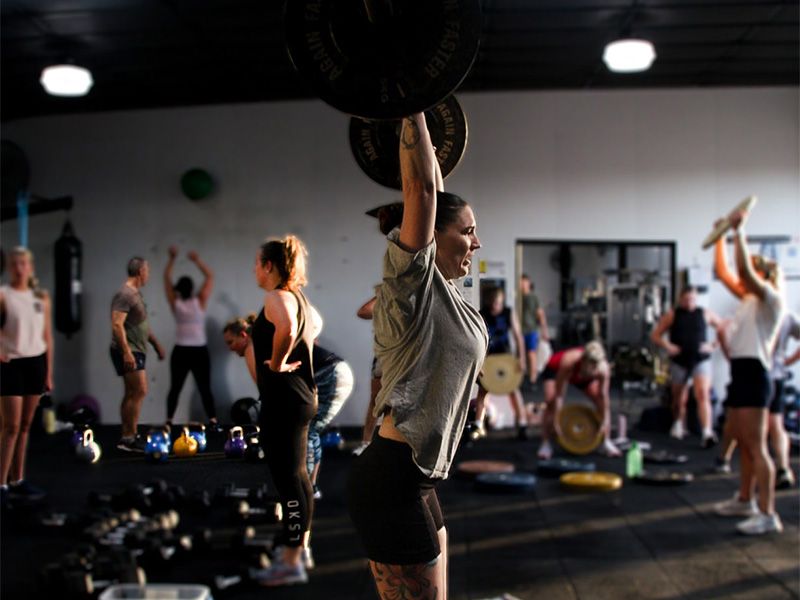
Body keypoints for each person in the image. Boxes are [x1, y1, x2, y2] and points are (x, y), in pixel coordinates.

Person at [346, 112, 487, 599]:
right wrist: (413, 102)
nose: (476, 241)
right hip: (392, 482)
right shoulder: (414, 284)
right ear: (434, 236)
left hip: (420, 482)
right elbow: (424, 192)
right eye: (467, 231)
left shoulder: (448, 295)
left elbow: (436, 190)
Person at [249, 235, 323, 585]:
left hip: (285, 399)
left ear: (269, 266)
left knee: (288, 478)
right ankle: (300, 548)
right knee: (299, 475)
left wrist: (277, 363)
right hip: (301, 396)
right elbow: (313, 326)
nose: (254, 269)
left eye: (256, 263)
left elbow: (288, 328)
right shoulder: (299, 298)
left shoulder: (277, 296)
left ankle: (291, 561)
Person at [223, 316, 354, 500]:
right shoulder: (262, 343)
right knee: (310, 430)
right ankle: (310, 489)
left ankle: (304, 492)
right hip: (335, 371)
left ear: (244, 335)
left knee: (306, 430)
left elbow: (266, 390)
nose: (230, 347)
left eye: (231, 342)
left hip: (329, 374)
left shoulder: (252, 347)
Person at [712, 208, 786, 535]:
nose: (743, 279)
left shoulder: (771, 299)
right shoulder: (746, 300)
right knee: (743, 441)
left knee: (757, 447)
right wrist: (720, 237)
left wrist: (739, 232)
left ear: (762, 275)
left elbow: (741, 268)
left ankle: (769, 514)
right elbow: (725, 270)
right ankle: (745, 500)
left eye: (751, 274)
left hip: (756, 374)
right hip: (741, 372)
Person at [714, 311, 799, 489]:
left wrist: (731, 355)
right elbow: (722, 330)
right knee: (773, 425)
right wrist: (787, 361)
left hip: (754, 376)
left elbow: (722, 330)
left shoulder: (751, 314)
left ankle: (724, 460)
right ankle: (782, 467)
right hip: (772, 375)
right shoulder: (785, 315)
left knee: (742, 427)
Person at [352, 203, 405, 457]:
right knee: (377, 400)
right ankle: (366, 443)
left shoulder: (405, 251)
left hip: (403, 351)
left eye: (383, 217)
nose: (379, 222)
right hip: (385, 352)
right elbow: (363, 311)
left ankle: (397, 448)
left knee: (402, 403)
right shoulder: (391, 273)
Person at [0, 247, 52, 502]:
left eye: (23, 263)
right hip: (11, 366)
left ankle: (17, 479)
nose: (19, 268)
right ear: (10, 268)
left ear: (30, 267)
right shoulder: (3, 295)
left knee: (25, 426)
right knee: (10, 427)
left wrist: (48, 374)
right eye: (14, 264)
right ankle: (1, 484)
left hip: (36, 364)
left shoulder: (41, 297)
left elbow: (47, 338)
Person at [650, 285, 726, 447]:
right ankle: (678, 423)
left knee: (703, 394)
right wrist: (668, 346)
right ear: (680, 299)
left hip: (700, 359)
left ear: (696, 298)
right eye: (686, 299)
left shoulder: (704, 313)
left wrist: (713, 345)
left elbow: (724, 328)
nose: (689, 302)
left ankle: (707, 431)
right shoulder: (672, 315)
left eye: (692, 299)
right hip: (680, 360)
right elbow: (655, 335)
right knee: (679, 397)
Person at [110, 257, 165, 452]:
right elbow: (117, 324)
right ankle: (129, 438)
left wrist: (156, 345)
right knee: (140, 390)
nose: (148, 274)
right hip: (129, 350)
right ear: (141, 271)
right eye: (147, 270)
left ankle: (127, 436)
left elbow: (141, 325)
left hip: (136, 349)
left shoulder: (134, 294)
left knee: (132, 392)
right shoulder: (125, 294)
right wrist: (126, 352)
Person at [163, 246, 218, 430]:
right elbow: (209, 277)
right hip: (198, 350)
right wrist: (196, 260)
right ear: (192, 288)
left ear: (178, 289)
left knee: (176, 388)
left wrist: (172, 259)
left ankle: (169, 421)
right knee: (204, 387)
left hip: (182, 351)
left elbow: (166, 279)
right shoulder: (200, 300)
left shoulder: (175, 302)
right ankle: (213, 420)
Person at [537, 341, 621, 460]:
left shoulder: (603, 369)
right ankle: (545, 443)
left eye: (595, 366)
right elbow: (559, 395)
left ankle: (606, 441)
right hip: (555, 369)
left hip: (580, 376)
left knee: (598, 400)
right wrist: (556, 421)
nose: (593, 368)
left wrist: (605, 421)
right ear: (583, 360)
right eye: (590, 365)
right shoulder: (569, 361)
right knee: (551, 401)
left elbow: (603, 397)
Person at [471, 286, 528, 440]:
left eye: (499, 303)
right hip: (488, 358)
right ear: (490, 302)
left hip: (505, 357)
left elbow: (518, 337)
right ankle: (478, 426)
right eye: (495, 303)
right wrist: (479, 363)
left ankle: (522, 425)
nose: (497, 306)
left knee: (514, 391)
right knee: (483, 393)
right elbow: (478, 339)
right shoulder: (482, 314)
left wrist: (522, 359)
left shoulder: (508, 313)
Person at [519, 274, 550, 386]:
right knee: (520, 355)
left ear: (528, 283)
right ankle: (520, 379)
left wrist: (544, 331)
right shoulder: (517, 297)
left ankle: (533, 379)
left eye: (524, 281)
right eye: (520, 281)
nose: (522, 284)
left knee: (531, 354)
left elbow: (540, 314)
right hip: (519, 331)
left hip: (531, 330)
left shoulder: (533, 297)